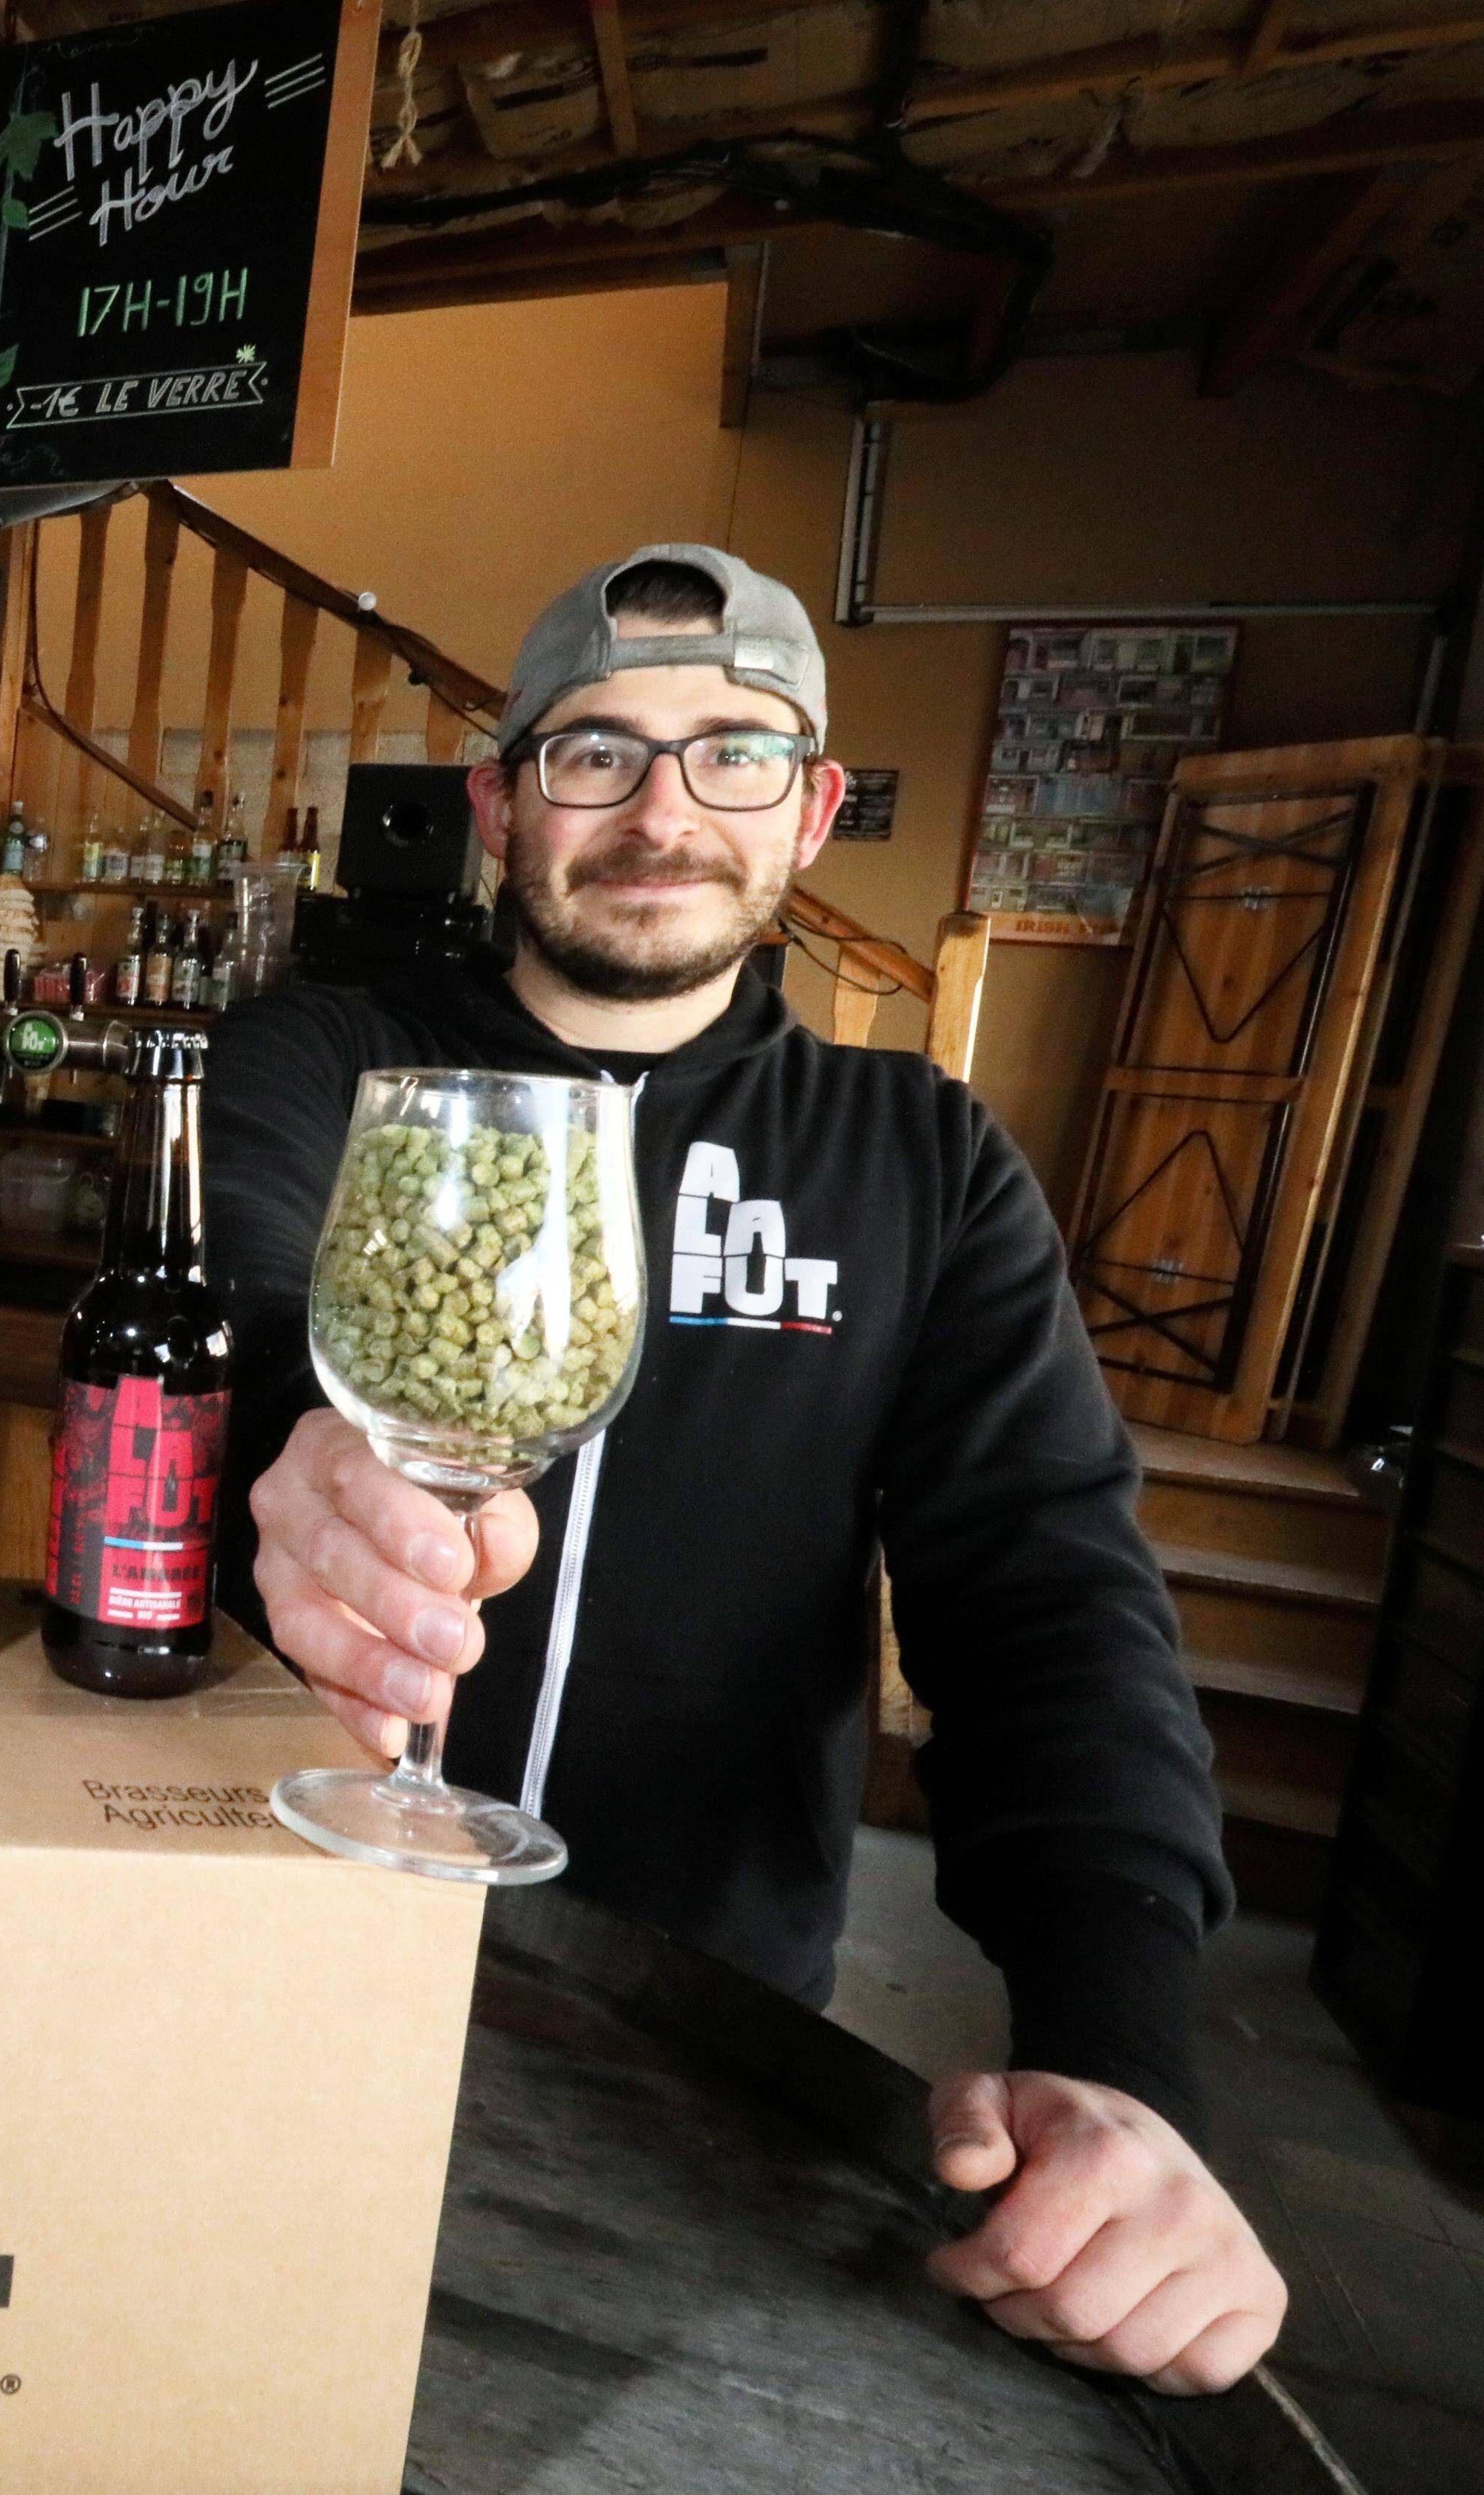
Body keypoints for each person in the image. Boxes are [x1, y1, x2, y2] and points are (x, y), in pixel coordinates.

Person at [210, 545, 1287, 2394]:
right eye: (593, 753)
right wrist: (292, 1455)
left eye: (733, 752)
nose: (659, 810)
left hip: (676, 2030)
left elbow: (1044, 1591)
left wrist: (1115, 2053)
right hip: (251, 1932)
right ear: (496, 803)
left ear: (809, 811)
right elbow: (234, 1300)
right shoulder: (333, 1057)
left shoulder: (917, 1152)